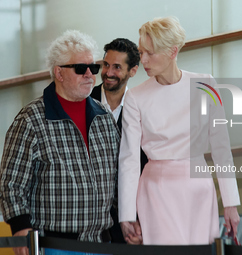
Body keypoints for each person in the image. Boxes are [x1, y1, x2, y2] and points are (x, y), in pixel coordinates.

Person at [118, 16, 241, 245]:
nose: (142, 60)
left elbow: (221, 148)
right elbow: (129, 159)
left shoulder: (206, 85)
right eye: (141, 51)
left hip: (199, 190)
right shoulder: (135, 96)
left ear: (172, 52)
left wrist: (231, 204)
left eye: (150, 53)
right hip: (156, 191)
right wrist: (126, 215)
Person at [0, 30, 120, 255]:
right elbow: (11, 183)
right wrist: (20, 227)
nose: (89, 75)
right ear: (59, 73)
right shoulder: (31, 120)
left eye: (93, 68)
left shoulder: (105, 117)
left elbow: (119, 178)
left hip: (101, 244)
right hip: (53, 247)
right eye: (80, 68)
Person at [90, 38, 148, 243]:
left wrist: (139, 217)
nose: (108, 72)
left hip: (130, 214)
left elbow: (144, 165)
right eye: (106, 65)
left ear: (133, 70)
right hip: (91, 216)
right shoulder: (84, 101)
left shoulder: (143, 107)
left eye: (117, 67)